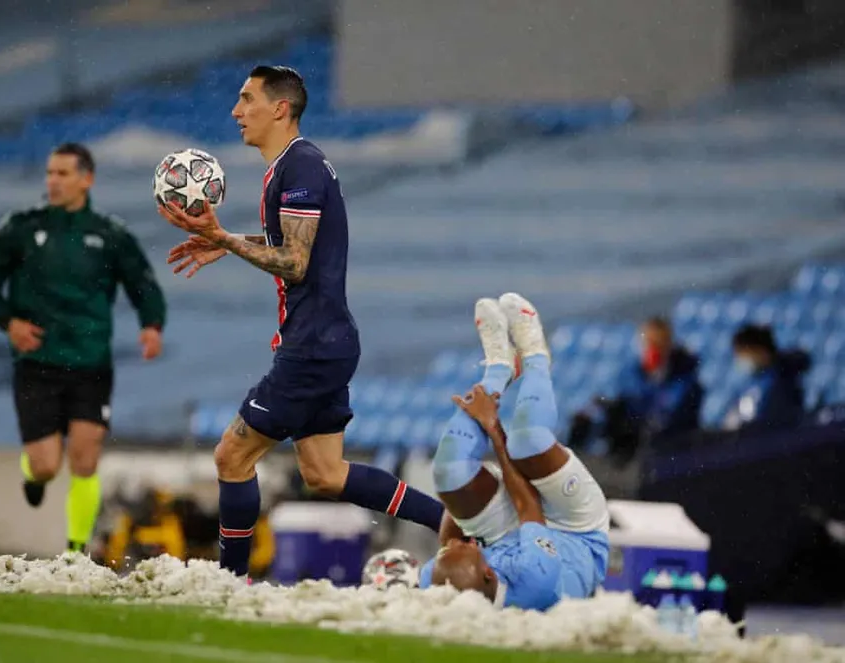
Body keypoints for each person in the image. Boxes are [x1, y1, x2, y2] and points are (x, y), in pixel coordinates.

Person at [158, 65, 444, 576]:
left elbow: (295, 261)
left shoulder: (301, 168)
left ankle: (230, 584)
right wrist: (230, 242)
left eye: (247, 99)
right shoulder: (293, 166)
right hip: (326, 341)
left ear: (280, 108)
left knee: (231, 456)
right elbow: (298, 243)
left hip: (312, 346)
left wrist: (224, 239)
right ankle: (453, 526)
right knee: (325, 473)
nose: (236, 111)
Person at [0, 142, 166, 553]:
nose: (53, 181)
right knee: (46, 464)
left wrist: (151, 325)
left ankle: (76, 552)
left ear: (86, 179)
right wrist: (9, 322)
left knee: (85, 459)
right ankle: (33, 475)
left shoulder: (110, 235)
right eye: (49, 173)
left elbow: (143, 284)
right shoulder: (23, 228)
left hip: (91, 362)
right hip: (37, 361)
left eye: (62, 173)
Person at [420, 293, 610, 610]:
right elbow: (528, 505)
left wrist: (463, 505)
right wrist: (492, 427)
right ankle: (535, 357)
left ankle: (499, 368)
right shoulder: (536, 581)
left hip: (504, 537)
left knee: (449, 474)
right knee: (527, 442)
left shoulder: (441, 584)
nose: (457, 543)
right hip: (575, 530)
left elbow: (450, 541)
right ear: (488, 574)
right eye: (464, 546)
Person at [569, 316, 702, 464]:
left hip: (670, 451)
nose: (651, 349)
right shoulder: (631, 374)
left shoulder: (685, 379)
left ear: (668, 344)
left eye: (656, 344)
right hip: (635, 448)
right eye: (647, 343)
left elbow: (669, 415)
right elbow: (623, 402)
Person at [718, 323, 810, 431]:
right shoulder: (751, 382)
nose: (740, 358)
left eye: (743, 352)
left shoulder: (781, 381)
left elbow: (768, 420)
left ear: (760, 350)